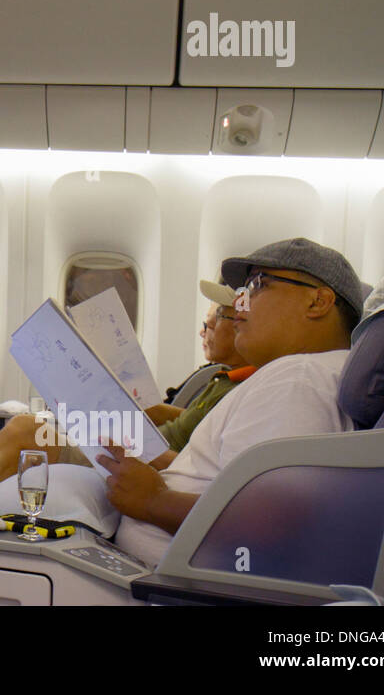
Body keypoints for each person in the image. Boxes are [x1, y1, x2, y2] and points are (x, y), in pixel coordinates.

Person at [102, 237, 361, 564]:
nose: (239, 301)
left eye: (257, 285)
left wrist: (153, 500)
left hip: (171, 588)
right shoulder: (298, 375)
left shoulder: (299, 379)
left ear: (318, 302)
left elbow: (266, 525)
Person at [0, 277, 255, 505]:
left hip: (138, 464)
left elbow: (196, 465)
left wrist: (128, 437)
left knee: (25, 430)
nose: (204, 330)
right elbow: (191, 423)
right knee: (32, 424)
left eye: (217, 322)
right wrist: (136, 407)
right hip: (136, 448)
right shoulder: (221, 379)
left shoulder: (245, 391)